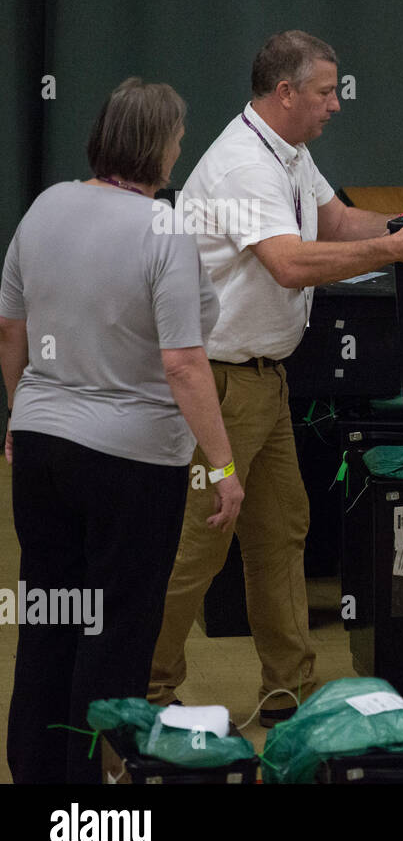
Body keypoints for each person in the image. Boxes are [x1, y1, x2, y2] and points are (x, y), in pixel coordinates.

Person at [147, 31, 403, 725]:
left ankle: (288, 692)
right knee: (198, 547)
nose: (336, 104)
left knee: (280, 532)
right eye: (326, 92)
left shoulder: (289, 152)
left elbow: (334, 220)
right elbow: (290, 263)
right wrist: (396, 250)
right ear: (286, 92)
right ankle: (142, 694)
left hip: (264, 381)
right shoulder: (242, 166)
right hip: (219, 386)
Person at [1, 78, 243, 783]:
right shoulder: (163, 230)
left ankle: (38, 777)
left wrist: (20, 411)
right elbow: (185, 363)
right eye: (174, 139)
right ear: (156, 149)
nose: (178, 150)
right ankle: (87, 806)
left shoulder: (47, 204)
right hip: (131, 465)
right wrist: (223, 468)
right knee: (114, 634)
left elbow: (11, 326)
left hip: (42, 450)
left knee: (49, 617)